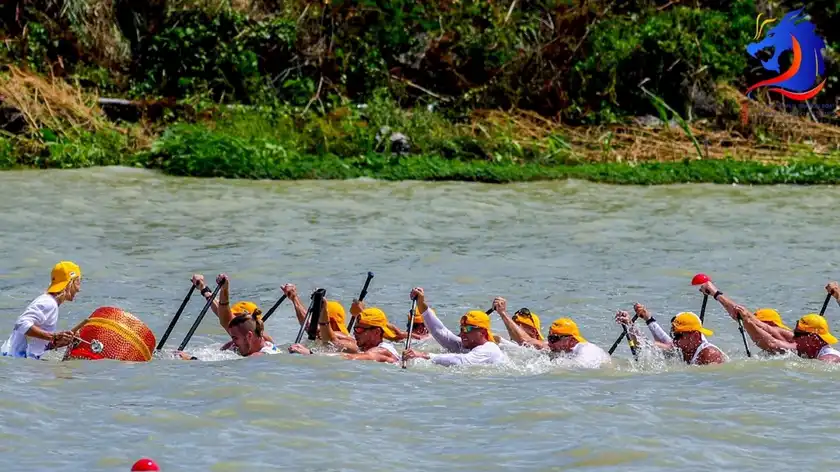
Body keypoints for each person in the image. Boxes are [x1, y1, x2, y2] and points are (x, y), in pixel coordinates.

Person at [401, 287, 507, 366]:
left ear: (483, 333)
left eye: (468, 329)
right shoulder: (465, 345)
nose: (462, 333)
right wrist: (421, 304)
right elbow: (440, 331)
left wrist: (423, 355)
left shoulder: (489, 350)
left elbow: (460, 361)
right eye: (461, 329)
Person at [1, 261, 86, 359]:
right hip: (13, 359)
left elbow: (37, 346)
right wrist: (52, 336)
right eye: (78, 282)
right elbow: (21, 324)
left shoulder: (50, 302)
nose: (79, 289)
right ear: (70, 283)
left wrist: (59, 342)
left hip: (16, 362)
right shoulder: (49, 303)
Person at [698, 280, 791, 355]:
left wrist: (715, 293)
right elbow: (742, 316)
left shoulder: (787, 345)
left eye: (759, 326)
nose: (753, 330)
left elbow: (744, 317)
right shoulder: (770, 351)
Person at [289, 301, 400, 364]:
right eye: (355, 328)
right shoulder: (357, 343)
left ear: (376, 332)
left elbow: (350, 357)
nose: (355, 333)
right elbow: (321, 334)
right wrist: (294, 299)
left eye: (359, 330)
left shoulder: (383, 350)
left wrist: (311, 354)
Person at [619, 303, 726, 365]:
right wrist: (630, 325)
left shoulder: (709, 354)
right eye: (674, 335)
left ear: (695, 335)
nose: (675, 340)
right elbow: (647, 345)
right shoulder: (685, 344)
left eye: (678, 336)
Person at [191, 274, 275, 346]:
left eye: (236, 318)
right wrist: (203, 288)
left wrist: (224, 289)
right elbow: (221, 312)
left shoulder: (264, 345)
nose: (232, 323)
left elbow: (224, 315)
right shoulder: (242, 333)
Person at [545, 318, 611, 368]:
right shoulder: (581, 346)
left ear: (566, 338)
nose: (550, 344)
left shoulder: (585, 352)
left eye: (552, 339)